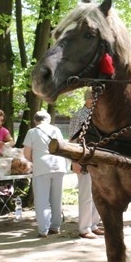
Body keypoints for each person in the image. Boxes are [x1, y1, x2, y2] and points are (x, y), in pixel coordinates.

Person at [23, 110, 68, 237]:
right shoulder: (56, 130)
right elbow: (62, 146)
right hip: (59, 165)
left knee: (42, 200)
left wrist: (34, 160)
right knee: (56, 198)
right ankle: (55, 227)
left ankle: (43, 230)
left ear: (35, 120)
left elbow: (26, 154)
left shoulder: (32, 132)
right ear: (48, 119)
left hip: (42, 167)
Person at [68, 89, 103, 239]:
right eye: (95, 98)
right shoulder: (79, 115)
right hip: (83, 159)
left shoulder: (97, 115)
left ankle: (94, 224)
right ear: (89, 99)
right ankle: (84, 228)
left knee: (97, 194)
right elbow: (72, 140)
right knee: (85, 195)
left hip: (97, 159)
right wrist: (74, 161)